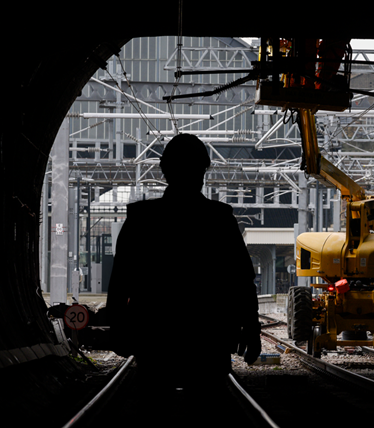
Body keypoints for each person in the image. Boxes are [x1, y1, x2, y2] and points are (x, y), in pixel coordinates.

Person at [107, 133, 261, 392]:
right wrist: (251, 329)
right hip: (209, 339)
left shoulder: (141, 220)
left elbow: (120, 280)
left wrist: (117, 328)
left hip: (154, 337)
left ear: (165, 171)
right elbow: (242, 281)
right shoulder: (220, 220)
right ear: (203, 172)